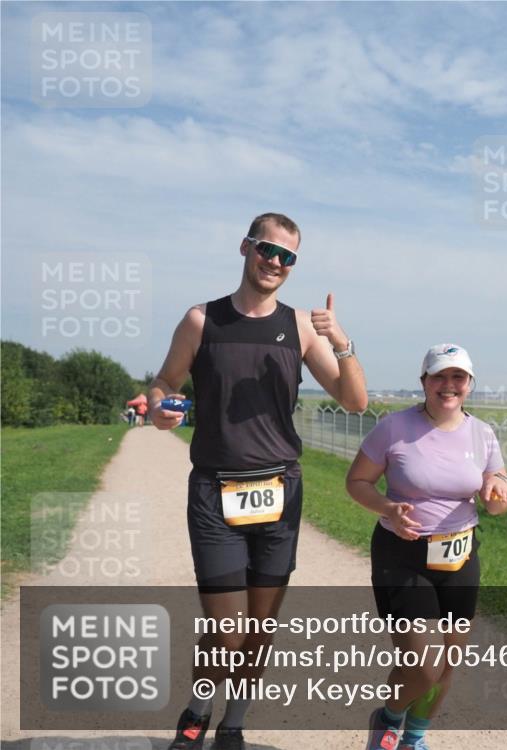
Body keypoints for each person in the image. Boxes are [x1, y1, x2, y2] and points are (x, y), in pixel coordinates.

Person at [148, 212, 367, 750]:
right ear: (245, 247)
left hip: (279, 491)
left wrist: (341, 342)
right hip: (215, 492)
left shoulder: (297, 328)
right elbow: (164, 382)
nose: (275, 262)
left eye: (287, 257)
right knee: (226, 630)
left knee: (260, 629)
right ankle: (197, 710)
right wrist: (159, 409)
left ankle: (235, 722)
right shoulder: (202, 320)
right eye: (267, 250)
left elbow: (355, 401)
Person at [346, 343, 507, 750]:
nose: (448, 385)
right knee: (421, 667)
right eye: (439, 376)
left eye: (458, 377)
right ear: (424, 382)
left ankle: (414, 739)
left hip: (460, 555)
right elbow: (356, 482)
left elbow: (499, 492)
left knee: (448, 664)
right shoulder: (394, 428)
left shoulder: (482, 433)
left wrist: (497, 492)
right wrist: (388, 507)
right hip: (403, 554)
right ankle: (388, 719)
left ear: (470, 384)